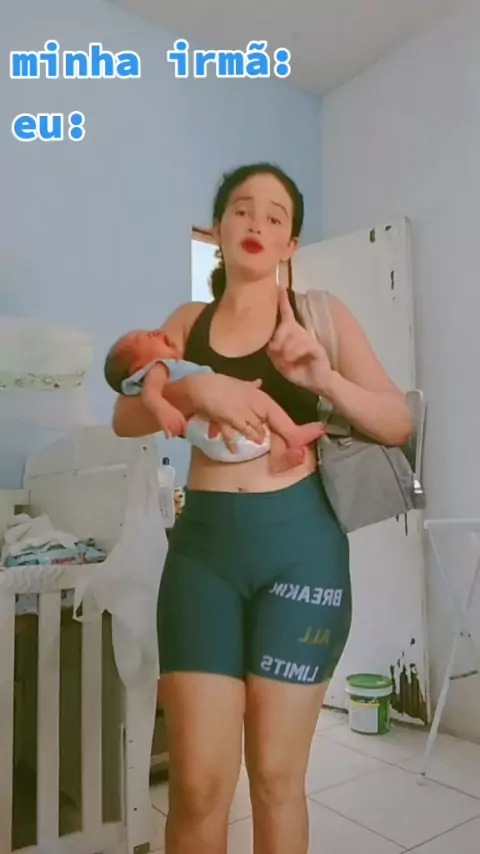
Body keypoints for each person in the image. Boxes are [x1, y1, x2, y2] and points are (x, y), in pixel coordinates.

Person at [111, 162, 412, 854]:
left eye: (275, 216)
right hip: (203, 559)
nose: (256, 223)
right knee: (197, 785)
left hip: (301, 554)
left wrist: (325, 377)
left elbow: (397, 422)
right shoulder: (187, 322)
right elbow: (126, 418)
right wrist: (194, 391)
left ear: (290, 243)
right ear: (219, 228)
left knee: (276, 777)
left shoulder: (319, 314)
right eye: (242, 210)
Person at [104, 328, 326, 471]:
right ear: (138, 367)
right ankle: (292, 433)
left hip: (214, 442)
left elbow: (220, 389)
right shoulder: (158, 367)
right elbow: (150, 395)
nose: (155, 332)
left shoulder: (172, 373)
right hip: (214, 428)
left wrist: (239, 388)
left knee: (264, 423)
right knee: (263, 403)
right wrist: (163, 408)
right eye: (145, 338)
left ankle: (278, 458)